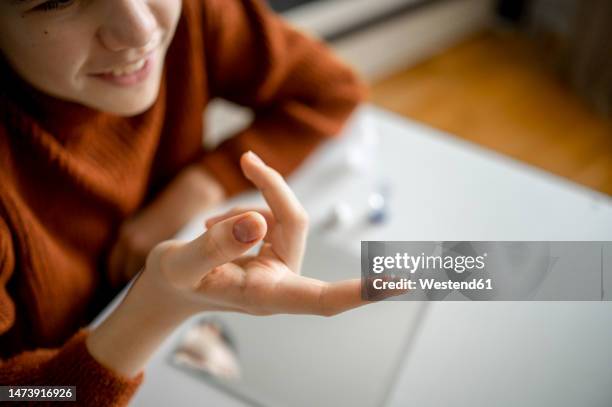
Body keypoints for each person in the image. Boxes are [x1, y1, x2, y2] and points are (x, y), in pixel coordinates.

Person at [0, 0, 367, 405]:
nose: (141, 31)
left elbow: (331, 88)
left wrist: (204, 183)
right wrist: (155, 309)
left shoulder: (194, 12)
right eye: (60, 1)